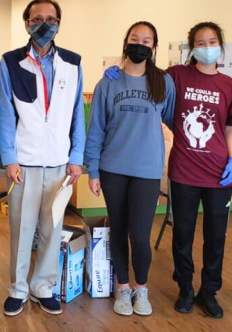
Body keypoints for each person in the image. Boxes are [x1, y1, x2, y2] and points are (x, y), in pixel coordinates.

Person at [104, 21, 232, 317]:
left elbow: (230, 126)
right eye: (200, 43)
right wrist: (115, 70)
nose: (206, 47)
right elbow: (146, 81)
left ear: (220, 46)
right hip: (184, 170)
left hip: (219, 172)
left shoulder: (229, 85)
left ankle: (209, 291)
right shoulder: (175, 76)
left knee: (216, 236)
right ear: (191, 48)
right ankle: (186, 288)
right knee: (183, 234)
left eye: (211, 41)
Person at [0, 0, 85, 317]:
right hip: (25, 162)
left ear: (59, 24)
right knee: (22, 228)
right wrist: (9, 157)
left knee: (52, 226)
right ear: (27, 24)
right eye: (37, 19)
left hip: (60, 163)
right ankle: (18, 288)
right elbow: (5, 114)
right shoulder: (11, 62)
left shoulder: (73, 63)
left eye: (51, 18)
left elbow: (78, 115)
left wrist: (76, 156)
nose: (44, 24)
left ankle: (43, 286)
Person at [86, 21, 175, 317]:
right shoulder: (108, 82)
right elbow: (96, 128)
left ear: (154, 48)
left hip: (147, 171)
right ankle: (122, 288)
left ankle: (141, 288)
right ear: (125, 42)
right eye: (135, 38)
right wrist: (94, 171)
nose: (140, 44)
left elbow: (175, 119)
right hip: (113, 169)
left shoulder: (163, 83)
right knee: (119, 230)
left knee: (139, 235)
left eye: (147, 40)